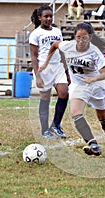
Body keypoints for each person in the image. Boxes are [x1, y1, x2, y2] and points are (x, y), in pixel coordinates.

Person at [39, 23, 105, 156]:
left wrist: (93, 79)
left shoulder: (95, 52)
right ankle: (93, 144)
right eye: (78, 38)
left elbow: (104, 73)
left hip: (96, 86)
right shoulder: (67, 46)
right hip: (79, 85)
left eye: (85, 38)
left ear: (90, 38)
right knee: (75, 113)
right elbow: (54, 44)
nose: (81, 41)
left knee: (103, 117)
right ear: (74, 37)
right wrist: (45, 62)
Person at [29, 5, 69, 139]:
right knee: (45, 98)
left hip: (57, 67)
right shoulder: (35, 34)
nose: (49, 18)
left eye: (51, 16)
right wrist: (37, 76)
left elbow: (61, 50)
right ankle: (44, 130)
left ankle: (56, 125)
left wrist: (67, 70)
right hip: (43, 68)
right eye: (46, 16)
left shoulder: (57, 31)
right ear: (40, 18)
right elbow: (34, 56)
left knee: (64, 93)